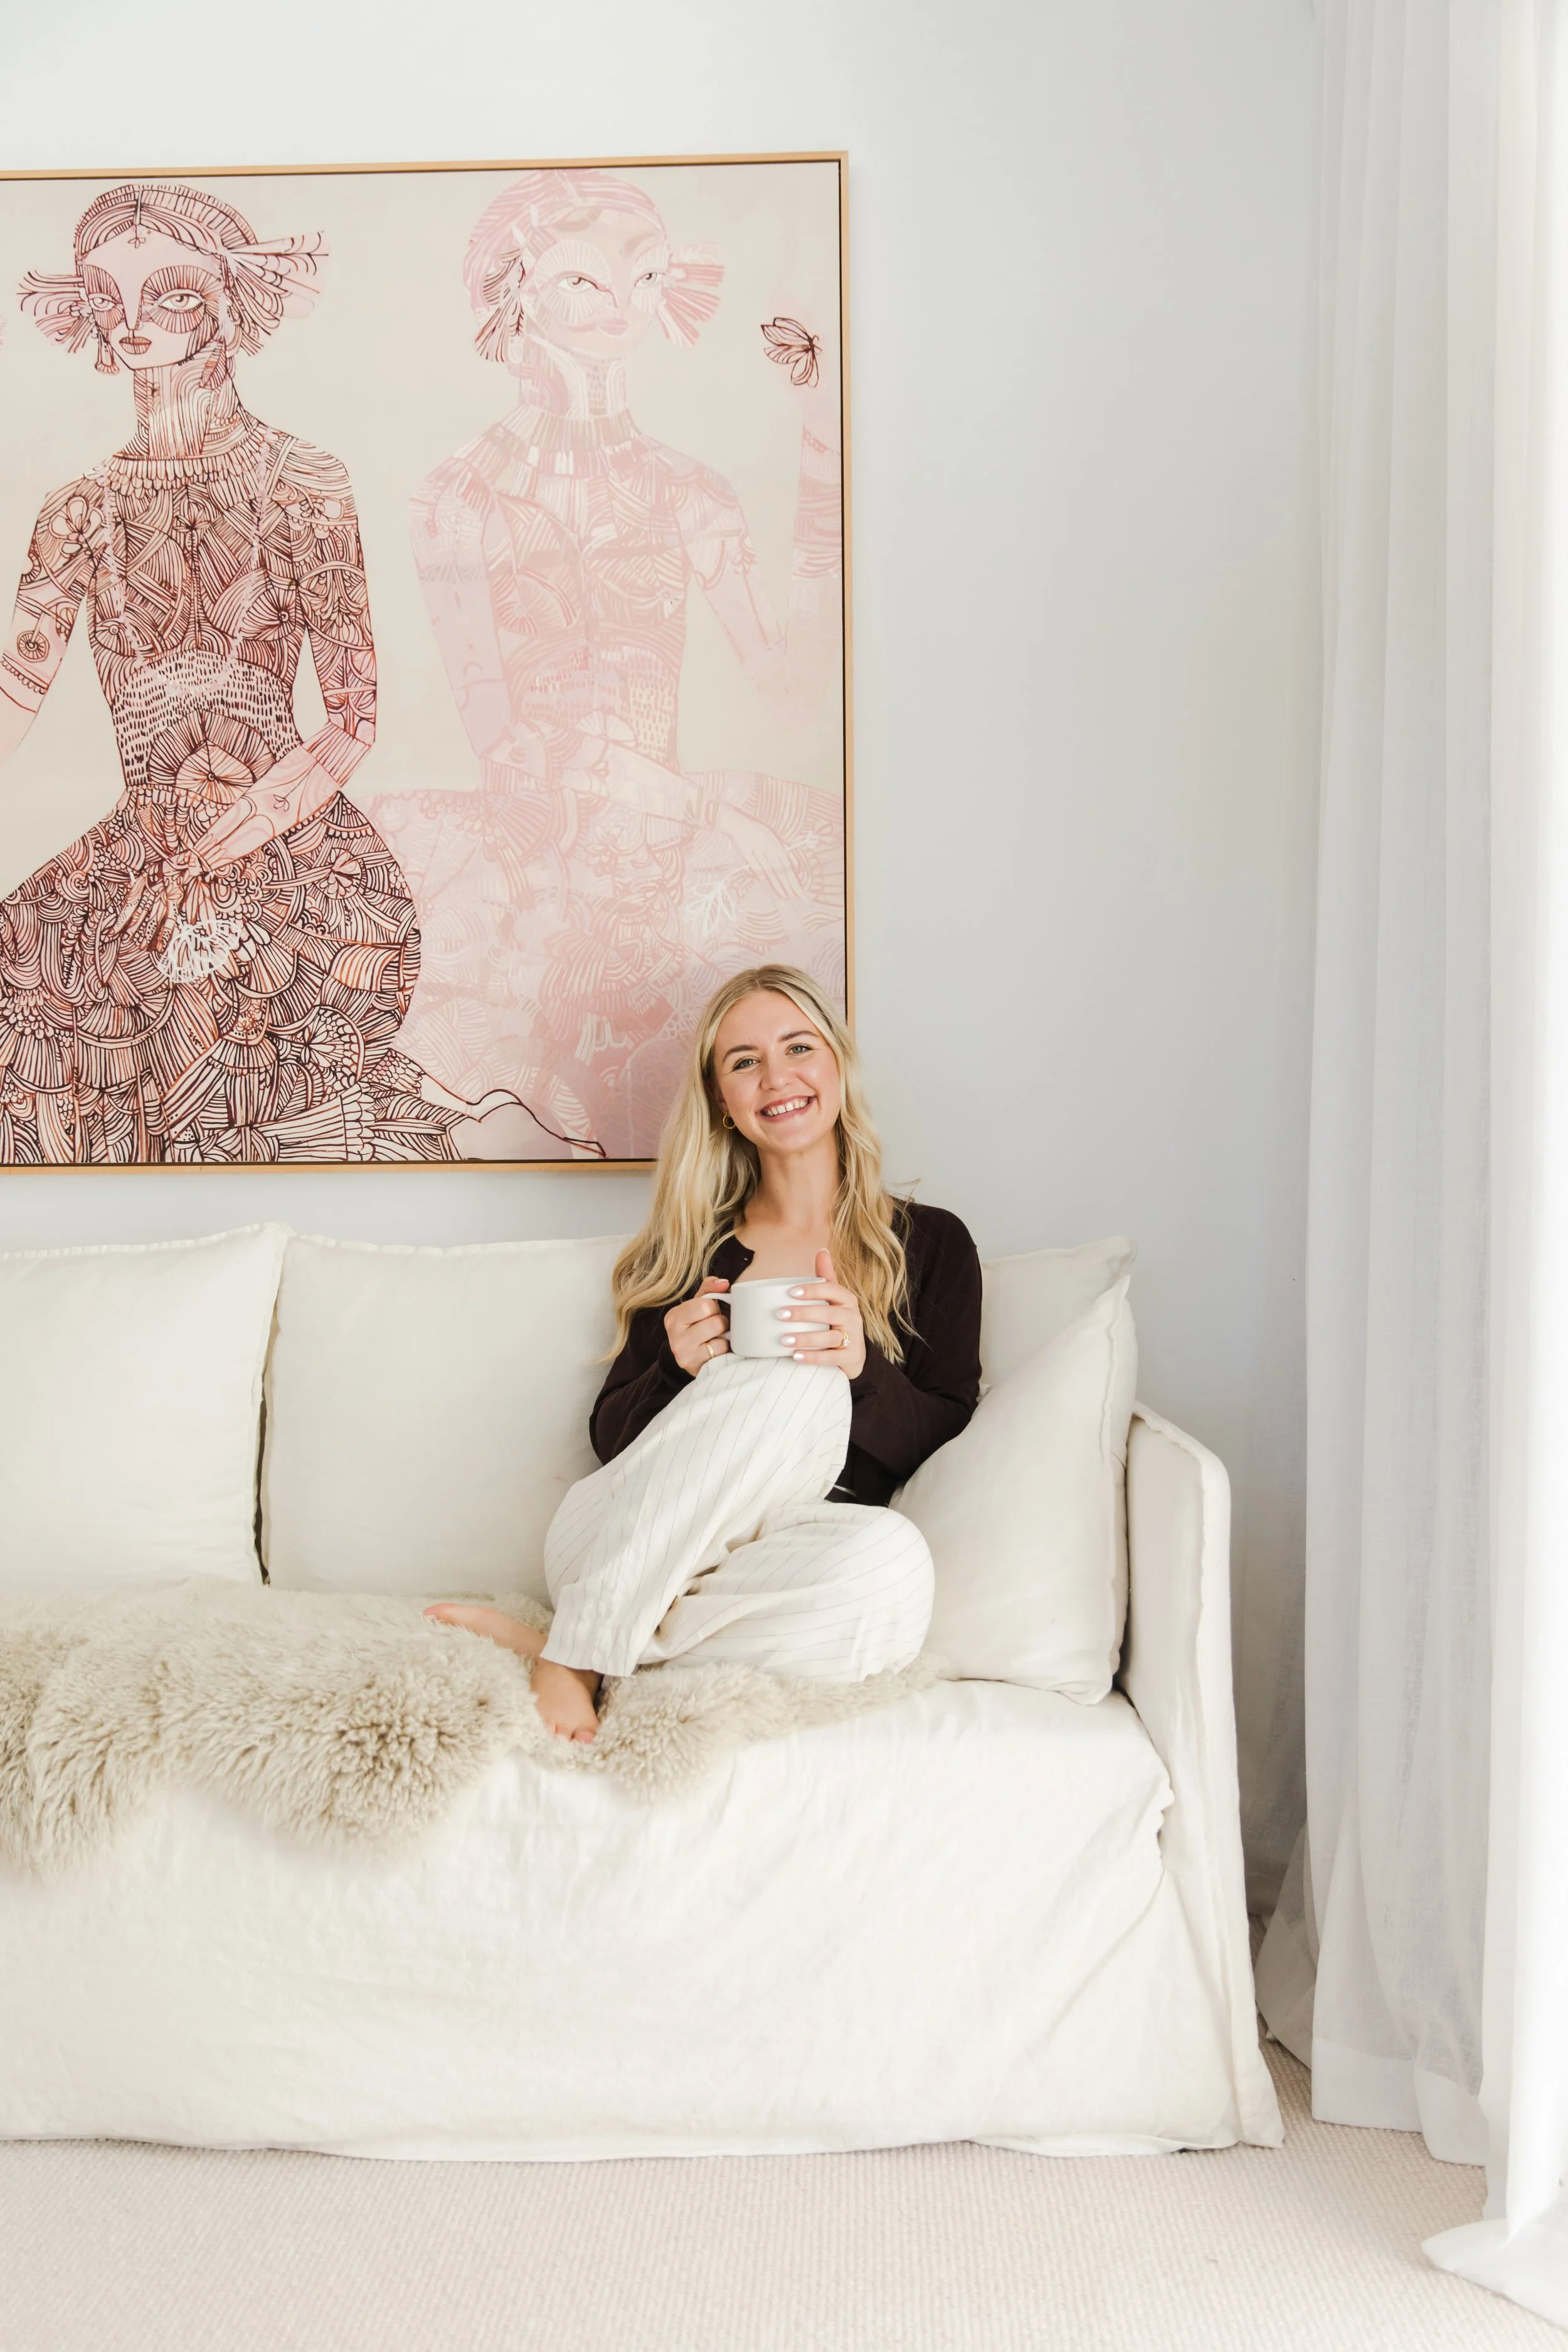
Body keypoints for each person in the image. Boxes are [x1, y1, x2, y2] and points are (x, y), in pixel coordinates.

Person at [0, 179, 570, 1165]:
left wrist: (254, 822)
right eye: (107, 296)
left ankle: (455, 1126)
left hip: (289, 852)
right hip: (136, 864)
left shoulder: (301, 481)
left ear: (227, 301)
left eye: (169, 293)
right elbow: (15, 691)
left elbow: (354, 715)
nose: (132, 321)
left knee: (238, 1092)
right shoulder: (76, 510)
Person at [364, 168, 846, 1158]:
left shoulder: (689, 489)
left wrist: (819, 427)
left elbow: (794, 691)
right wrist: (704, 811)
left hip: (664, 847)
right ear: (515, 289)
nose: (621, 306)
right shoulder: (457, 495)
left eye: (644, 277)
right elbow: (512, 750)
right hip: (544, 861)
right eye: (584, 280)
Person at [428, 963, 982, 1740]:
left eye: (798, 1047)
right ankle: (583, 1650)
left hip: (767, 1569)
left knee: (893, 1567)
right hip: (615, 1544)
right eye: (744, 1062)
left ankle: (582, 1651)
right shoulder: (693, 1254)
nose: (776, 1077)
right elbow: (610, 1443)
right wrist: (674, 1370)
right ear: (722, 1101)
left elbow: (948, 1434)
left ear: (837, 1066)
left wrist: (861, 1371)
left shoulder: (932, 1244)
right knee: (802, 1386)